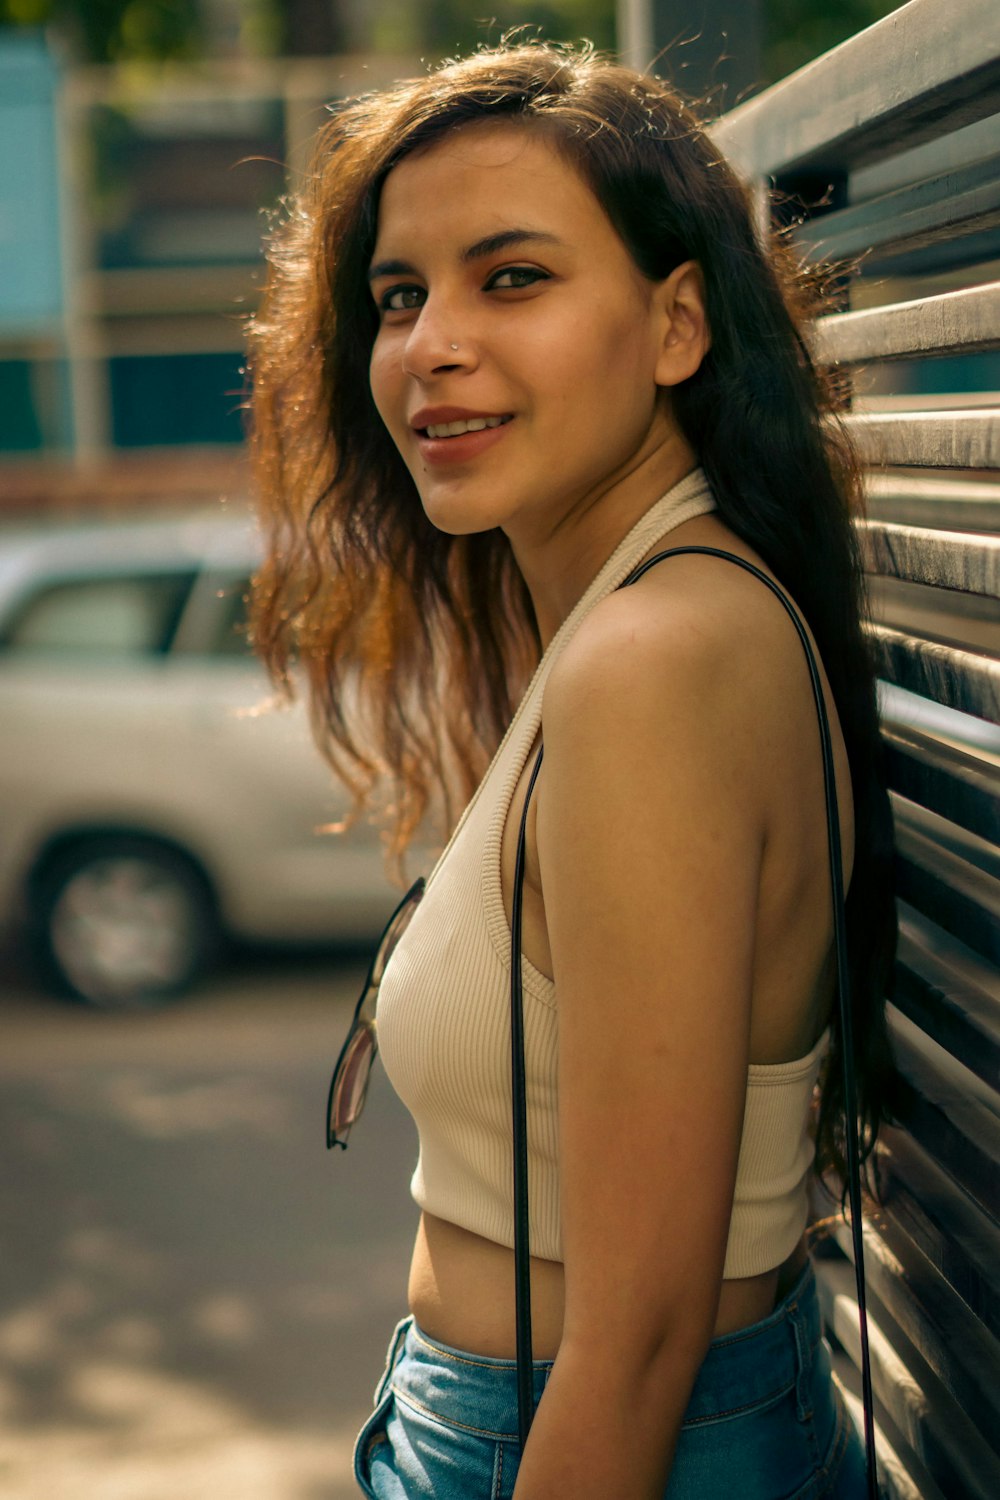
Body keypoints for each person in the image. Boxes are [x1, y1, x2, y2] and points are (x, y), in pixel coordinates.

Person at [247, 41, 897, 1500]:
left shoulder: (651, 660)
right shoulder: (637, 615)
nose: (431, 345)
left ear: (677, 323)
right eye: (399, 296)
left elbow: (646, 1331)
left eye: (513, 277)